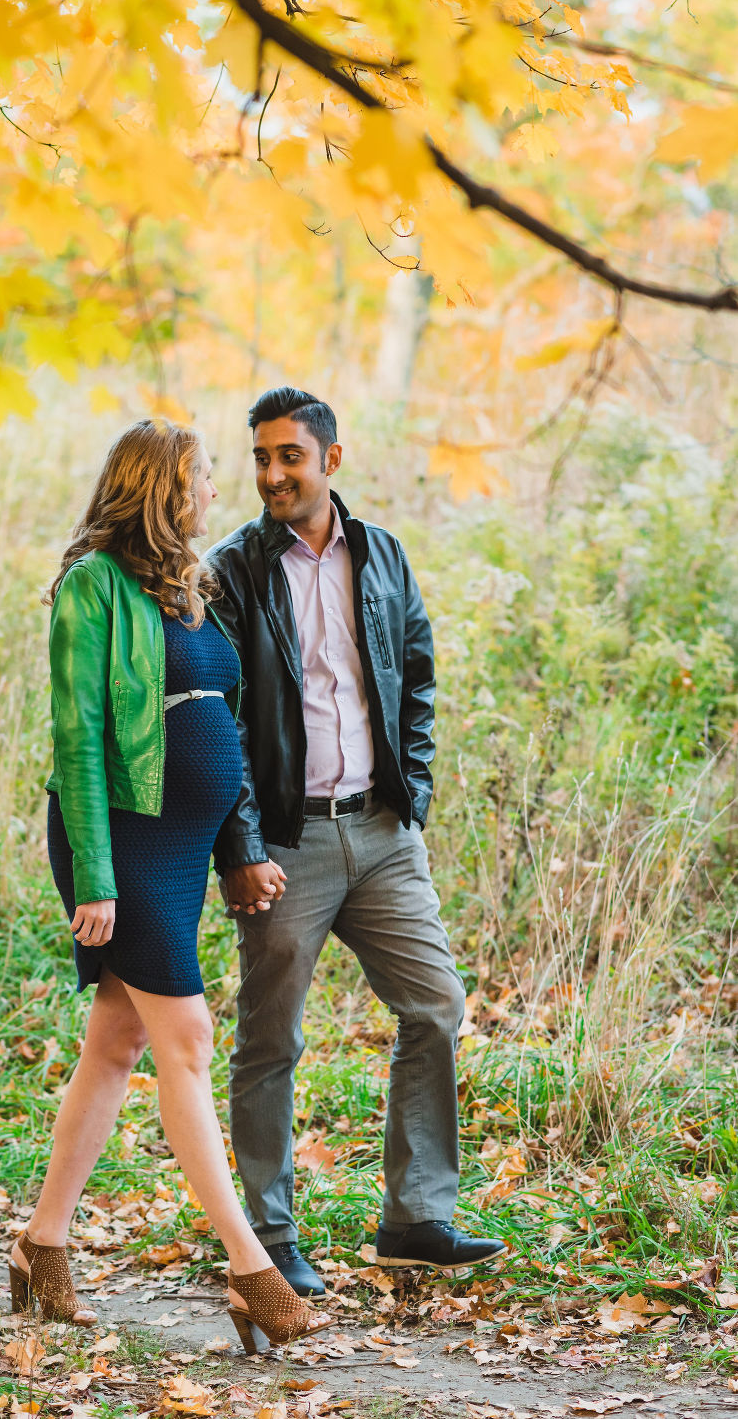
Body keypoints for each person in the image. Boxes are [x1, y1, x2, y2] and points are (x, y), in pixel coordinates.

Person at [9, 419, 331, 1353]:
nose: (214, 493)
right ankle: (248, 1267)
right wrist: (97, 880)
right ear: (159, 485)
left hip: (187, 844)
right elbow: (76, 738)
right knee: (184, 1039)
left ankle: (41, 1249)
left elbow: (216, 724)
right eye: (201, 478)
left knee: (114, 1046)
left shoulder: (192, 586)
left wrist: (238, 847)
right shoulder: (90, 585)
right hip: (121, 842)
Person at [208, 387, 507, 1297]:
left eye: (289, 457)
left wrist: (410, 787)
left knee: (435, 1005)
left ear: (331, 460)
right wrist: (244, 846)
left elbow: (415, 671)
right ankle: (266, 1235)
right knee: (272, 1040)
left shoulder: (381, 554)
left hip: (380, 833)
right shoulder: (233, 571)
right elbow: (219, 721)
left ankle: (416, 1218)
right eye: (260, 458)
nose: (271, 475)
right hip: (285, 847)